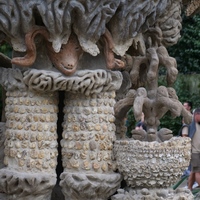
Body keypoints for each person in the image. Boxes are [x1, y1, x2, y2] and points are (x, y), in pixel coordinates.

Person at [181, 108, 200, 190]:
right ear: (197, 115)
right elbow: (184, 138)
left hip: (198, 151)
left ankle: (189, 189)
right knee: (198, 171)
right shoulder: (189, 125)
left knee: (193, 171)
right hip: (194, 152)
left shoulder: (198, 124)